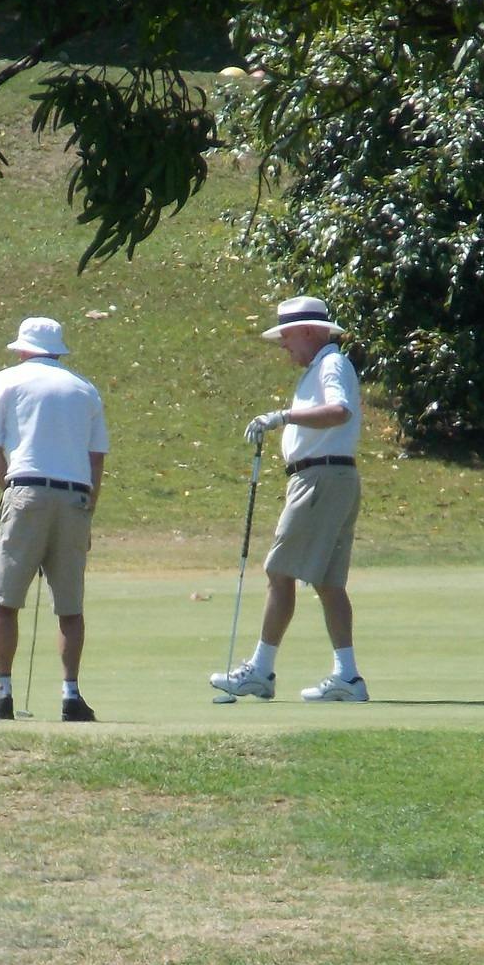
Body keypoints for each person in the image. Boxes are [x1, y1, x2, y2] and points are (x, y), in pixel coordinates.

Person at [210, 295, 367, 703]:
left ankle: (260, 671)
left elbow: (339, 411)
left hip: (321, 478)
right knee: (328, 582)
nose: (283, 344)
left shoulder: (331, 364)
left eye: (288, 335)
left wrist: (283, 417)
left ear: (311, 331)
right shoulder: (322, 366)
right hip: (330, 477)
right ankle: (348, 677)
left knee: (279, 572)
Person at [0, 316, 109, 721]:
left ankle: (3, 693)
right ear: (57, 350)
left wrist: (9, 491)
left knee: (6, 600)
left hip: (26, 489)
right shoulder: (84, 388)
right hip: (74, 497)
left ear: (24, 349)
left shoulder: (6, 380)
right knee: (70, 605)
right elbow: (96, 457)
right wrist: (89, 509)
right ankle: (71, 695)